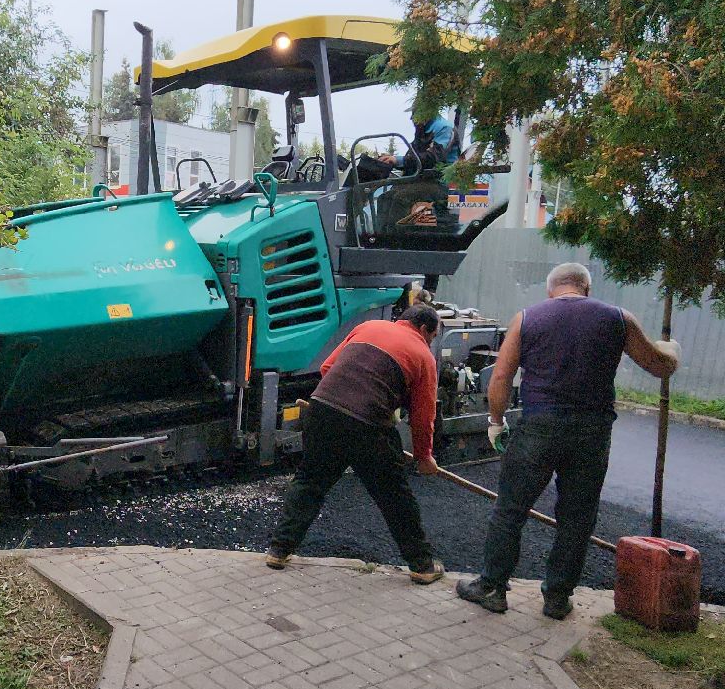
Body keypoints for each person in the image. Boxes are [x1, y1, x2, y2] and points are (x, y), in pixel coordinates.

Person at [456, 263, 680, 619]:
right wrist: (672, 351)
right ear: (586, 288)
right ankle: (557, 598)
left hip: (539, 427)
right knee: (577, 518)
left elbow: (500, 378)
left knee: (511, 509)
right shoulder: (618, 319)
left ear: (551, 289)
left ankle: (492, 587)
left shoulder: (527, 318)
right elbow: (659, 366)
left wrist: (496, 422)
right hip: (591, 434)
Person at [266, 305, 446, 584]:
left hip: (322, 410)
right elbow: (423, 416)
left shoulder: (368, 326)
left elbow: (327, 367)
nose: (430, 343)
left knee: (309, 482)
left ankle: (279, 550)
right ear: (424, 329)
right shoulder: (423, 355)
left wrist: (341, 402)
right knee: (395, 497)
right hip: (368, 425)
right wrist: (424, 457)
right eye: (432, 337)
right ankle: (422, 566)